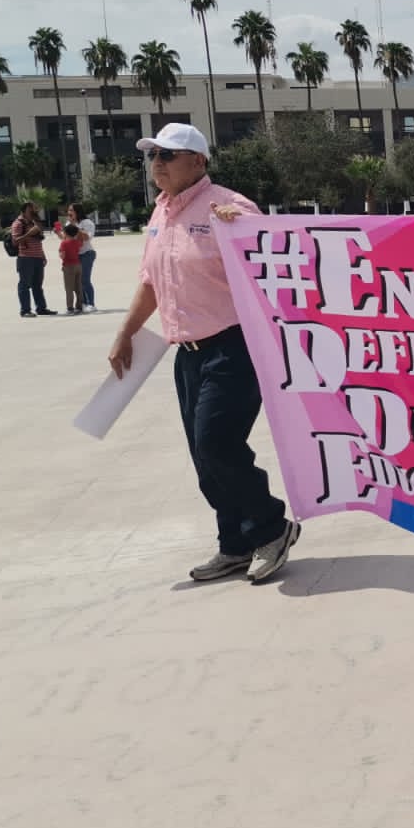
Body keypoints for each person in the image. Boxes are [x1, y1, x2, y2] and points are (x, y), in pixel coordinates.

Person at [108, 123, 301, 584]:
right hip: (188, 354)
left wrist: (249, 235)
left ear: (199, 161)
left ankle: (273, 526)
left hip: (234, 348)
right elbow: (152, 283)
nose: (158, 163)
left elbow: (278, 264)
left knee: (218, 444)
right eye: (153, 155)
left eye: (169, 155)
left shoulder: (231, 209)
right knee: (203, 455)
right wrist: (125, 333)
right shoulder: (161, 215)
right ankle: (234, 544)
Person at [8, 201, 53, 318]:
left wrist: (42, 255)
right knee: (24, 285)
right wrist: (29, 233)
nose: (33, 212)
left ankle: (41, 308)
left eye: (34, 210)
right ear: (23, 211)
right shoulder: (18, 224)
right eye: (30, 210)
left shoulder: (34, 223)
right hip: (25, 258)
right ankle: (25, 310)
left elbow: (38, 240)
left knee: (37, 285)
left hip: (37, 258)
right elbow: (15, 242)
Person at [67, 203, 96, 310]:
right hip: (75, 255)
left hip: (87, 254)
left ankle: (91, 304)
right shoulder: (68, 223)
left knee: (85, 279)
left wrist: (75, 226)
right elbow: (67, 240)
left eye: (71, 210)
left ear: (77, 212)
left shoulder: (87, 223)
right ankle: (82, 303)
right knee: (77, 281)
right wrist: (59, 234)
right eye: (68, 210)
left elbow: (87, 238)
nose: (69, 212)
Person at [57, 222, 83, 314]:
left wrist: (60, 252)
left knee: (69, 288)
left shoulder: (64, 243)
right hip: (78, 265)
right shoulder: (77, 242)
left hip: (68, 266)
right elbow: (80, 245)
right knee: (78, 287)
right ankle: (79, 306)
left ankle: (70, 308)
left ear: (66, 233)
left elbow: (62, 256)